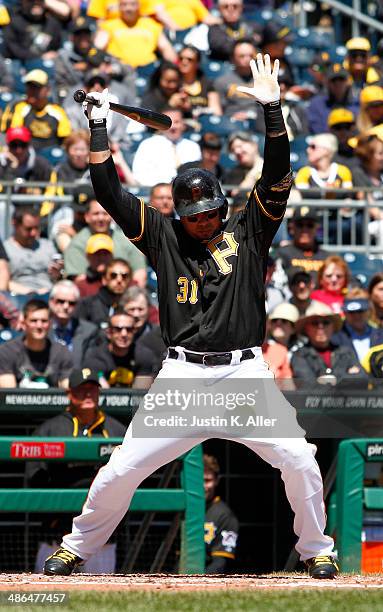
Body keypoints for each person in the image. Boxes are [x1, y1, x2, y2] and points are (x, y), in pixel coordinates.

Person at [43, 54, 338, 580]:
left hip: (244, 375)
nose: (203, 221)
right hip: (183, 377)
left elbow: (277, 175)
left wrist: (273, 112)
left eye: (210, 212)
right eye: (194, 215)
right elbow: (108, 192)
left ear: (223, 207)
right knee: (121, 471)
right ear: (179, 215)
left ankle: (317, 548)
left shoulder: (250, 230)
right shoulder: (164, 236)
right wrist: (97, 126)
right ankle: (76, 547)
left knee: (299, 459)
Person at [26, 367, 126, 574]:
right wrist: (50, 519)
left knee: (104, 598)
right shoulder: (50, 430)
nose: (88, 395)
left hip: (102, 539)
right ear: (69, 393)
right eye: (81, 390)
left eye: (92, 389)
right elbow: (34, 478)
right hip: (57, 536)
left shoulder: (116, 430)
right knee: (47, 595)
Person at [63, 192, 147, 287]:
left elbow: (140, 275)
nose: (101, 218)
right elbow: (79, 282)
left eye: (105, 213)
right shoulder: (77, 244)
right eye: (96, 214)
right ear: (87, 217)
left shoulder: (126, 241)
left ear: (111, 216)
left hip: (126, 295)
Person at [0, 298, 73, 388]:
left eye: (44, 321)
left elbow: (67, 389)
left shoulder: (62, 352)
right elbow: (8, 395)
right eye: (33, 321)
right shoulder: (7, 352)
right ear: (23, 323)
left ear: (50, 324)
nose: (39, 326)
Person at [291, 301, 364, 386]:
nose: (321, 327)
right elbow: (308, 385)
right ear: (306, 328)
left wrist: (332, 380)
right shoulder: (300, 355)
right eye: (315, 323)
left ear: (333, 327)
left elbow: (362, 378)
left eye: (326, 323)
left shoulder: (346, 352)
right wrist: (347, 377)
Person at [83, 308, 158, 387]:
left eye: (129, 329)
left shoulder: (144, 355)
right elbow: (100, 391)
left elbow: (140, 393)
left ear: (134, 331)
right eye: (118, 329)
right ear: (109, 333)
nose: (124, 334)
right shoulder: (95, 357)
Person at [1, 70, 72, 151]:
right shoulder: (17, 107)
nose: (32, 91)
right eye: (29, 86)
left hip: (50, 155)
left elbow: (66, 139)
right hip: (23, 153)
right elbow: (11, 134)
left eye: (37, 87)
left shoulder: (58, 112)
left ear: (47, 90)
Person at [95, 0, 177, 68]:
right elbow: (97, 47)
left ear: (139, 6)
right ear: (119, 7)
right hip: (120, 70)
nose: (128, 8)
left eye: (132, 4)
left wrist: (174, 66)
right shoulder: (109, 26)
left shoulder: (151, 25)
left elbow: (165, 48)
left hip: (148, 69)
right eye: (124, 5)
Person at [132, 108, 201, 186]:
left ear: (183, 124)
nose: (173, 127)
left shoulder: (193, 147)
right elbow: (139, 174)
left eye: (176, 122)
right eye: (168, 123)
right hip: (158, 192)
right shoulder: (148, 145)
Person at [4, 207, 60, 296]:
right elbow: (3, 282)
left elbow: (57, 279)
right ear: (15, 224)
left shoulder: (47, 245)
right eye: (28, 229)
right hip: (19, 297)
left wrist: (57, 274)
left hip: (50, 294)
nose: (34, 233)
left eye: (36, 228)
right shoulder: (4, 250)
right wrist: (32, 293)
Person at [49, 280, 99, 368]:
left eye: (71, 303)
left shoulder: (89, 331)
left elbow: (89, 365)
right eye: (60, 301)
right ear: (51, 302)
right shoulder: (40, 327)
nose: (66, 306)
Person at [203, 454, 239, 574]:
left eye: (207, 480)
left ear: (217, 480)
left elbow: (220, 563)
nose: (203, 486)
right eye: (199, 480)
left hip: (203, 578)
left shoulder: (224, 515)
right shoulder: (182, 511)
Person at [275, 206, 328, 282]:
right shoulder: (282, 254)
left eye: (310, 225)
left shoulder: (327, 257)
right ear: (291, 228)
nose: (304, 230)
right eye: (300, 225)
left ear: (317, 229)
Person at [75, 258, 132, 328]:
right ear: (104, 279)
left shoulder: (134, 306)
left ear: (130, 279)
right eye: (113, 275)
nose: (119, 280)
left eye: (124, 276)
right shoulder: (87, 304)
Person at [331, 289, 383, 366]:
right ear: (345, 313)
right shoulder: (334, 339)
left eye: (360, 311)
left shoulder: (381, 335)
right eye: (351, 312)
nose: (356, 316)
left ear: (369, 310)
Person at [214, 39, 261, 122]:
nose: (247, 59)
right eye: (242, 56)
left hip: (259, 121)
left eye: (250, 55)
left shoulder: (263, 81)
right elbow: (219, 111)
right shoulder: (222, 82)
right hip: (232, 122)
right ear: (232, 58)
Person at [307, 64, 359, 135]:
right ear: (327, 83)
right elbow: (317, 130)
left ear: (348, 82)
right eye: (333, 80)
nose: (337, 83)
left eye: (341, 79)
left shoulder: (357, 104)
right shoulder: (317, 104)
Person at [177, 45, 222, 117]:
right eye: (181, 58)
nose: (184, 62)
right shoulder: (172, 84)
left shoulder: (207, 84)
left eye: (189, 59)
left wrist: (193, 110)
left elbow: (217, 112)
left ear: (197, 63)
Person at [76, 233, 114, 297]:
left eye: (105, 253)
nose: (101, 258)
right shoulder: (80, 287)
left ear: (112, 256)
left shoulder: (122, 282)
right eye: (97, 254)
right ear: (88, 256)